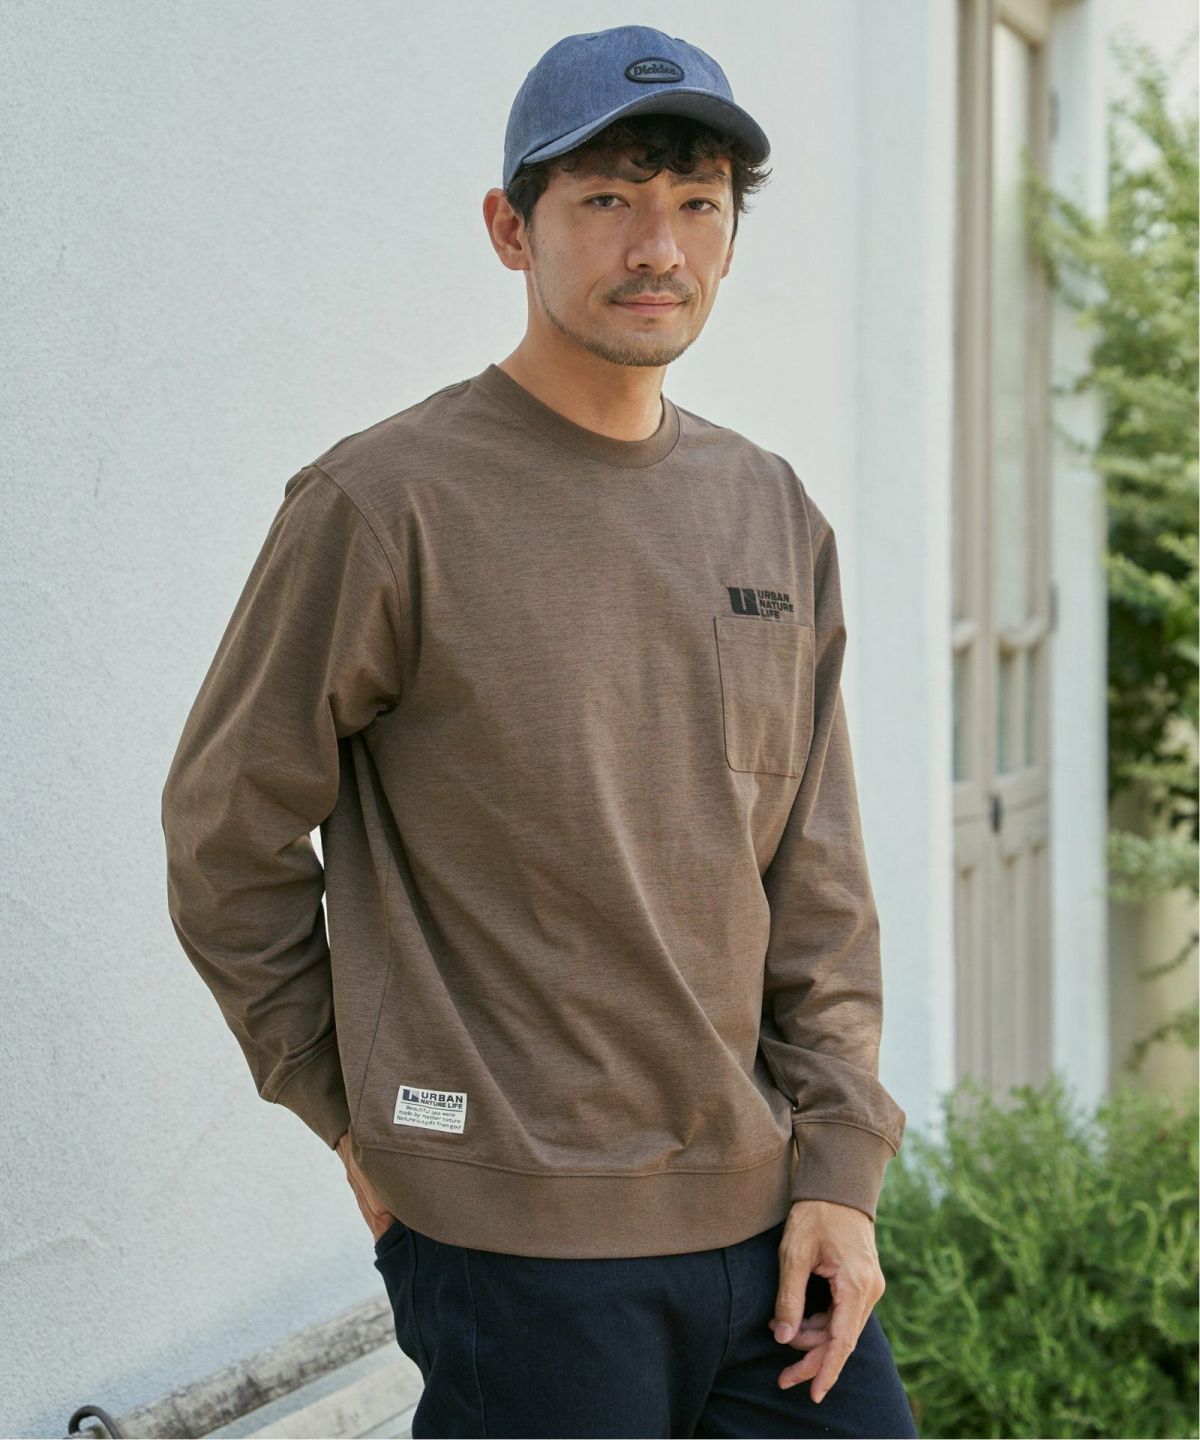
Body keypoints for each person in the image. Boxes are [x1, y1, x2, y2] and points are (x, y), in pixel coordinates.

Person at [160, 22, 919, 1440]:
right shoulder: (384, 506)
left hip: (768, 1226)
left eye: (698, 203)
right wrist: (350, 1107)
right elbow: (225, 837)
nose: (659, 246)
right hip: (519, 1249)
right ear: (512, 229)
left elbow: (816, 884)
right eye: (608, 198)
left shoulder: (773, 514)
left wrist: (839, 1169)